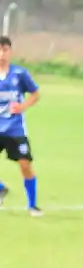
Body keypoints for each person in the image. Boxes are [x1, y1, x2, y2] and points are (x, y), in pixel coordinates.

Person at [0, 36, 42, 217]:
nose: (2, 54)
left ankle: (32, 206)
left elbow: (35, 94)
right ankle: (1, 189)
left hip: (15, 129)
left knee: (25, 165)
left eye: (5, 50)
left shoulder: (19, 74)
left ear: (10, 52)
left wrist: (23, 106)